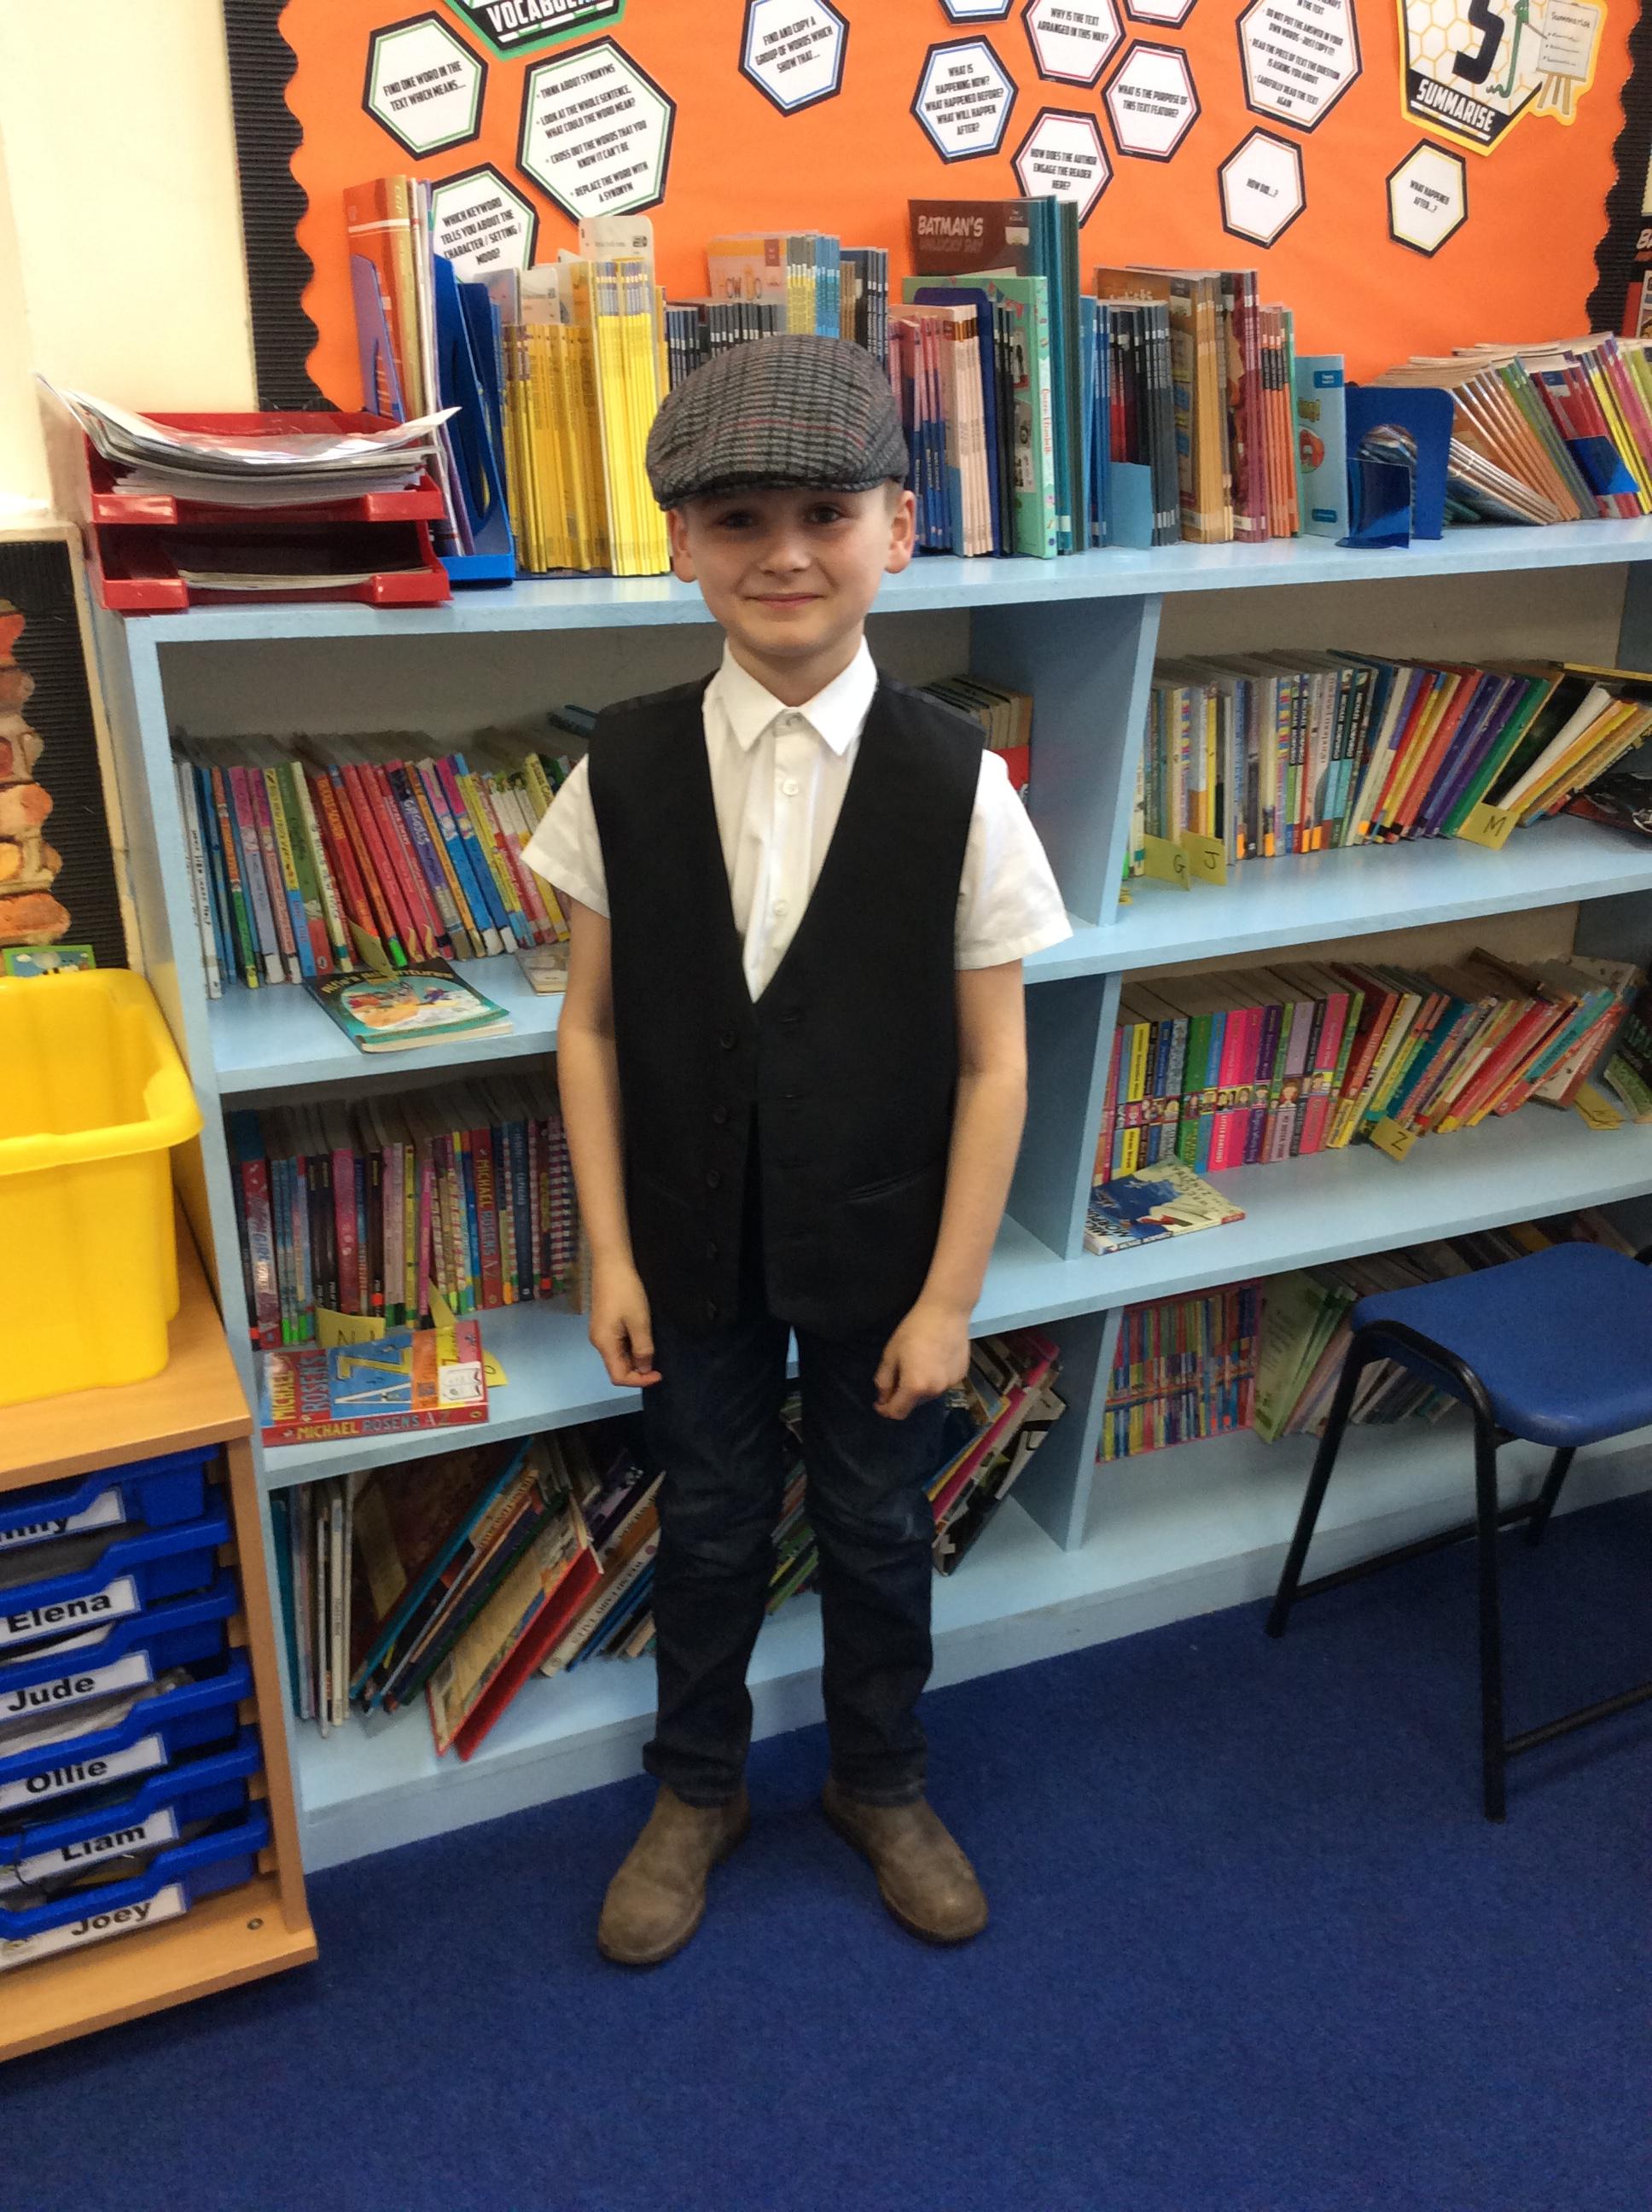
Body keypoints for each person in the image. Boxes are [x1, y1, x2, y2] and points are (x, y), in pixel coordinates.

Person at [524, 333, 1071, 1967]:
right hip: (687, 1242)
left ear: (896, 529)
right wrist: (609, 1255)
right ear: (683, 544)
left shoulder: (962, 784)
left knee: (878, 1524)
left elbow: (995, 1064)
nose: (783, 554)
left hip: (883, 1251)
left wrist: (951, 1299)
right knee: (707, 1516)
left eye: (825, 514)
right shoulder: (621, 765)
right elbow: (591, 1030)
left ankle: (879, 1779)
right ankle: (697, 1790)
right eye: (738, 519)